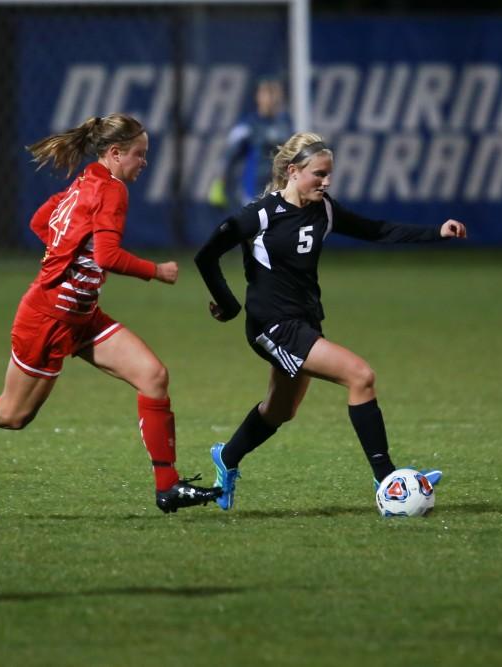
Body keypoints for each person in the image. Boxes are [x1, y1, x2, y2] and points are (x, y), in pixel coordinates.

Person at [0, 113, 221, 513]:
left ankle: (168, 486)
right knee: (11, 414)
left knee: (153, 377)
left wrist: (66, 255)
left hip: (83, 316)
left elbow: (41, 221)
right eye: (139, 154)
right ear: (114, 153)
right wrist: (155, 271)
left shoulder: (88, 181)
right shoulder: (112, 191)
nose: (144, 161)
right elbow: (107, 256)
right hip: (48, 320)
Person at [194, 131, 467, 510]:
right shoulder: (259, 215)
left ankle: (227, 458)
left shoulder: (324, 209)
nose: (326, 182)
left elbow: (377, 230)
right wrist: (228, 305)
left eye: (329, 175)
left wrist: (436, 232)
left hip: (304, 321)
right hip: (272, 326)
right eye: (318, 174)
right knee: (360, 376)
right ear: (293, 172)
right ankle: (388, 480)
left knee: (280, 411)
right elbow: (205, 255)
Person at [209, 76, 293, 210]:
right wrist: (219, 186)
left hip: (281, 197)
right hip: (253, 197)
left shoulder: (287, 126)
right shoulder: (247, 127)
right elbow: (227, 158)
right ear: (258, 96)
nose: (271, 98)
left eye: (275, 92)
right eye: (267, 92)